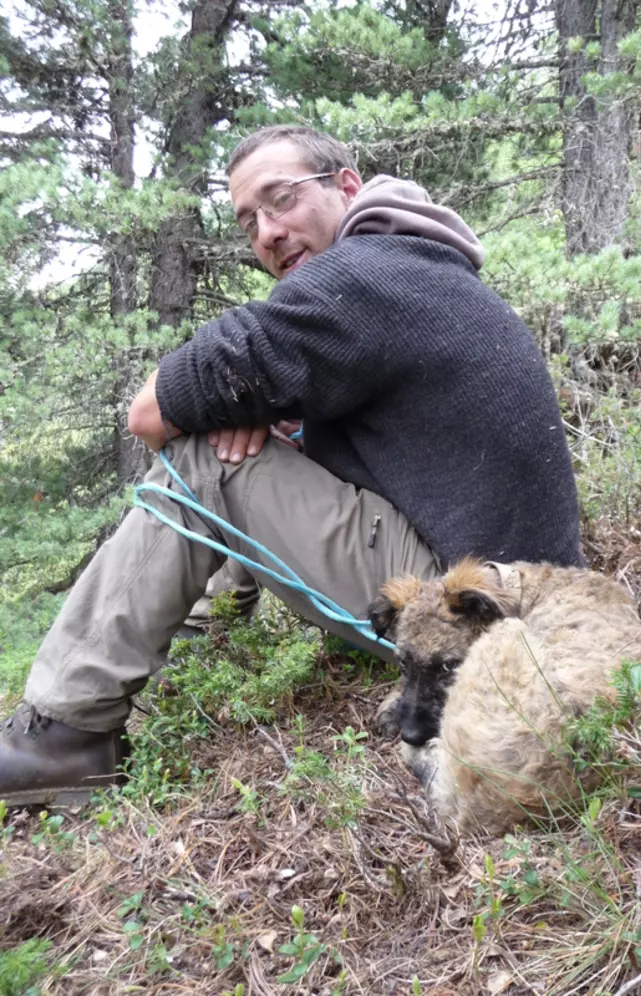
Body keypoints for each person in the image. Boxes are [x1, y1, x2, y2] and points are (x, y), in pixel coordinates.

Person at [0, 125, 583, 806]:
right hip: (520, 590)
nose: (266, 234)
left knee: (202, 459)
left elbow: (147, 415)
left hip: (465, 616)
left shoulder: (358, 278)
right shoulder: (414, 264)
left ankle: (66, 733)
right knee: (242, 439)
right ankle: (190, 653)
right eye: (249, 220)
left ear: (346, 187)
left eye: (281, 200)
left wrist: (228, 412)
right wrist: (257, 414)